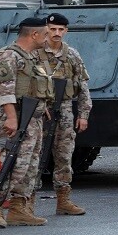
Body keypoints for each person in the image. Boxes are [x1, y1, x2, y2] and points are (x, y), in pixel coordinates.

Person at [0, 16, 54, 228]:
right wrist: (12, 118)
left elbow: (34, 88)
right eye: (46, 34)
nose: (48, 38)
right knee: (13, 165)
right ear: (34, 34)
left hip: (33, 118)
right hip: (17, 119)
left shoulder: (31, 58)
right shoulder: (7, 56)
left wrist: (43, 108)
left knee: (30, 166)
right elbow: (4, 89)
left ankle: (18, 209)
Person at [38, 12, 92, 216]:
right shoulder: (35, 53)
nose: (56, 33)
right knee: (34, 157)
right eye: (52, 29)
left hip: (66, 112)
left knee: (64, 156)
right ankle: (26, 202)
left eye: (61, 30)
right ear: (46, 30)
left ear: (66, 31)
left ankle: (63, 200)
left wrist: (84, 114)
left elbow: (82, 86)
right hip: (39, 112)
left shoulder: (72, 55)